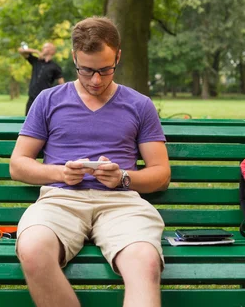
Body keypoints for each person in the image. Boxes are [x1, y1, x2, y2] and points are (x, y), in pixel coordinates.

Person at [10, 16, 171, 307]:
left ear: (118, 56)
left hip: (121, 203)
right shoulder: (48, 100)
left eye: (105, 70)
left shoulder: (139, 105)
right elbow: (18, 164)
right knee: (33, 249)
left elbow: (161, 174)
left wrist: (124, 177)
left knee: (145, 263)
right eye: (86, 70)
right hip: (60, 199)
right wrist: (60, 172)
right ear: (73, 58)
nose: (95, 80)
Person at [18, 42, 65, 114]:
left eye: (45, 47)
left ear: (52, 51)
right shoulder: (36, 61)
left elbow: (61, 84)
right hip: (32, 98)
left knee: (43, 124)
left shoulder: (55, 66)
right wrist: (36, 51)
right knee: (27, 122)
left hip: (45, 100)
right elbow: (20, 50)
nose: (43, 49)